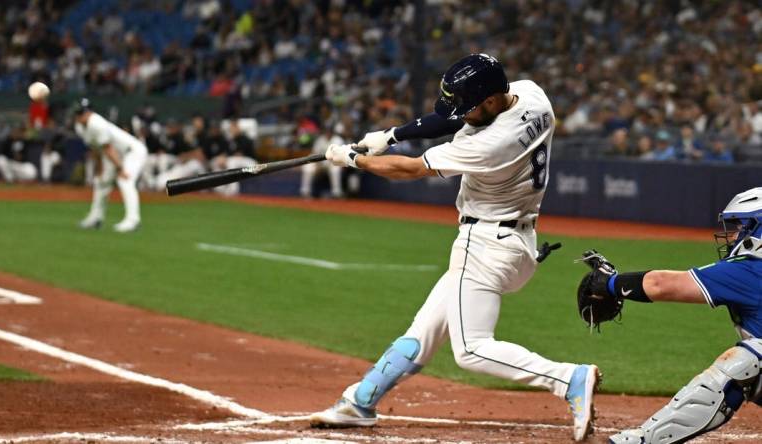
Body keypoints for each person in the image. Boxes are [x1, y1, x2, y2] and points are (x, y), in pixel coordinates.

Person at [310, 54, 600, 441]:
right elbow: (449, 117)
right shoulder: (531, 95)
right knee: (424, 330)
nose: (462, 116)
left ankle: (569, 378)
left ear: (493, 101)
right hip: (516, 244)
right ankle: (359, 403)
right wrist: (392, 135)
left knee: (471, 349)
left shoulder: (492, 145)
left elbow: (410, 170)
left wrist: (353, 159)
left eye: (469, 108)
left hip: (483, 245)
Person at [576, 187, 762, 444]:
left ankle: (644, 440)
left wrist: (609, 284)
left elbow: (661, 284)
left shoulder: (750, 270)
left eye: (739, 227)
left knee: (749, 359)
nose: (730, 236)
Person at [74, 98, 147, 232]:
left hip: (132, 151)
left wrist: (120, 168)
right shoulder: (79, 127)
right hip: (113, 154)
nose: (81, 116)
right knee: (101, 181)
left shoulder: (97, 123)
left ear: (89, 112)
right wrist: (99, 168)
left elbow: (108, 149)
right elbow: (95, 148)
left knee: (125, 180)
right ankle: (96, 218)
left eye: (84, 112)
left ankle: (133, 220)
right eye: (79, 113)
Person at [300, 125, 345, 198]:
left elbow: (340, 156)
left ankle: (336, 193)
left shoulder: (338, 140)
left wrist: (328, 165)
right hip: (320, 164)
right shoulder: (320, 140)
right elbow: (314, 153)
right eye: (326, 131)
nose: (328, 133)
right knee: (307, 167)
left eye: (329, 131)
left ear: (332, 132)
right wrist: (318, 166)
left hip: (333, 163)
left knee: (335, 170)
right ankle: (305, 192)